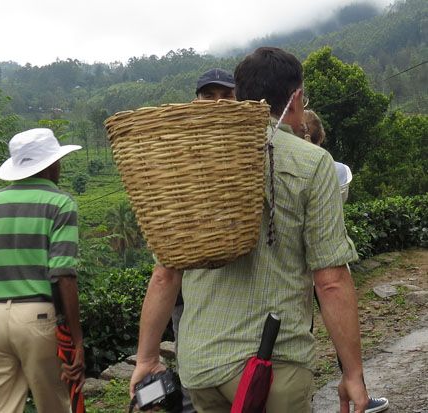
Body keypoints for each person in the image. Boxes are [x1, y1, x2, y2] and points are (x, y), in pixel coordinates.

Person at [130, 47, 369, 413]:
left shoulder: (196, 164)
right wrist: (352, 372)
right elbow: (331, 278)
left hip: (201, 366)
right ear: (296, 98)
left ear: (239, 96)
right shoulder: (312, 161)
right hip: (272, 367)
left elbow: (166, 273)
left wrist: (146, 358)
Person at [0, 128, 85, 412]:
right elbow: (63, 274)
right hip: (38, 317)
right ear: (51, 164)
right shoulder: (60, 203)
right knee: (57, 404)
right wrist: (77, 340)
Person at [301, 110, 390, 413]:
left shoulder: (323, 170)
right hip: (320, 259)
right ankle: (347, 386)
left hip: (309, 262)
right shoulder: (327, 169)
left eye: (306, 137)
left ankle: (329, 391)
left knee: (308, 327)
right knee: (313, 326)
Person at [170, 68, 237, 413]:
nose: (218, 104)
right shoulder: (180, 153)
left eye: (226, 96)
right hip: (189, 284)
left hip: (238, 282)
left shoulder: (245, 149)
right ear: (195, 102)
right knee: (191, 370)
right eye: (209, 96)